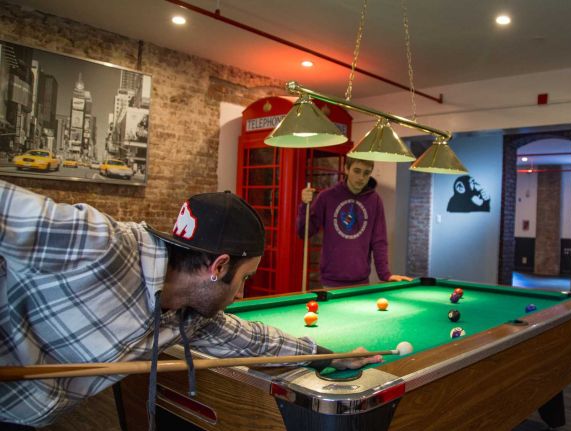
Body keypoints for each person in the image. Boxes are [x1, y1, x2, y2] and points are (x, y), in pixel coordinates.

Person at [0, 179, 381, 429]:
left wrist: (325, 355)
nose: (241, 294)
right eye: (245, 279)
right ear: (219, 267)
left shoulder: (190, 313)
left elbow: (253, 340)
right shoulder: (103, 245)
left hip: (25, 416)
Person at [298, 157, 412, 287]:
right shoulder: (326, 196)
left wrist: (385, 275)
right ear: (346, 169)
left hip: (361, 281)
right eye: (357, 171)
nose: (361, 178)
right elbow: (304, 232)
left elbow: (379, 241)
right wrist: (304, 205)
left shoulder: (374, 200)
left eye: (366, 173)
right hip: (331, 281)